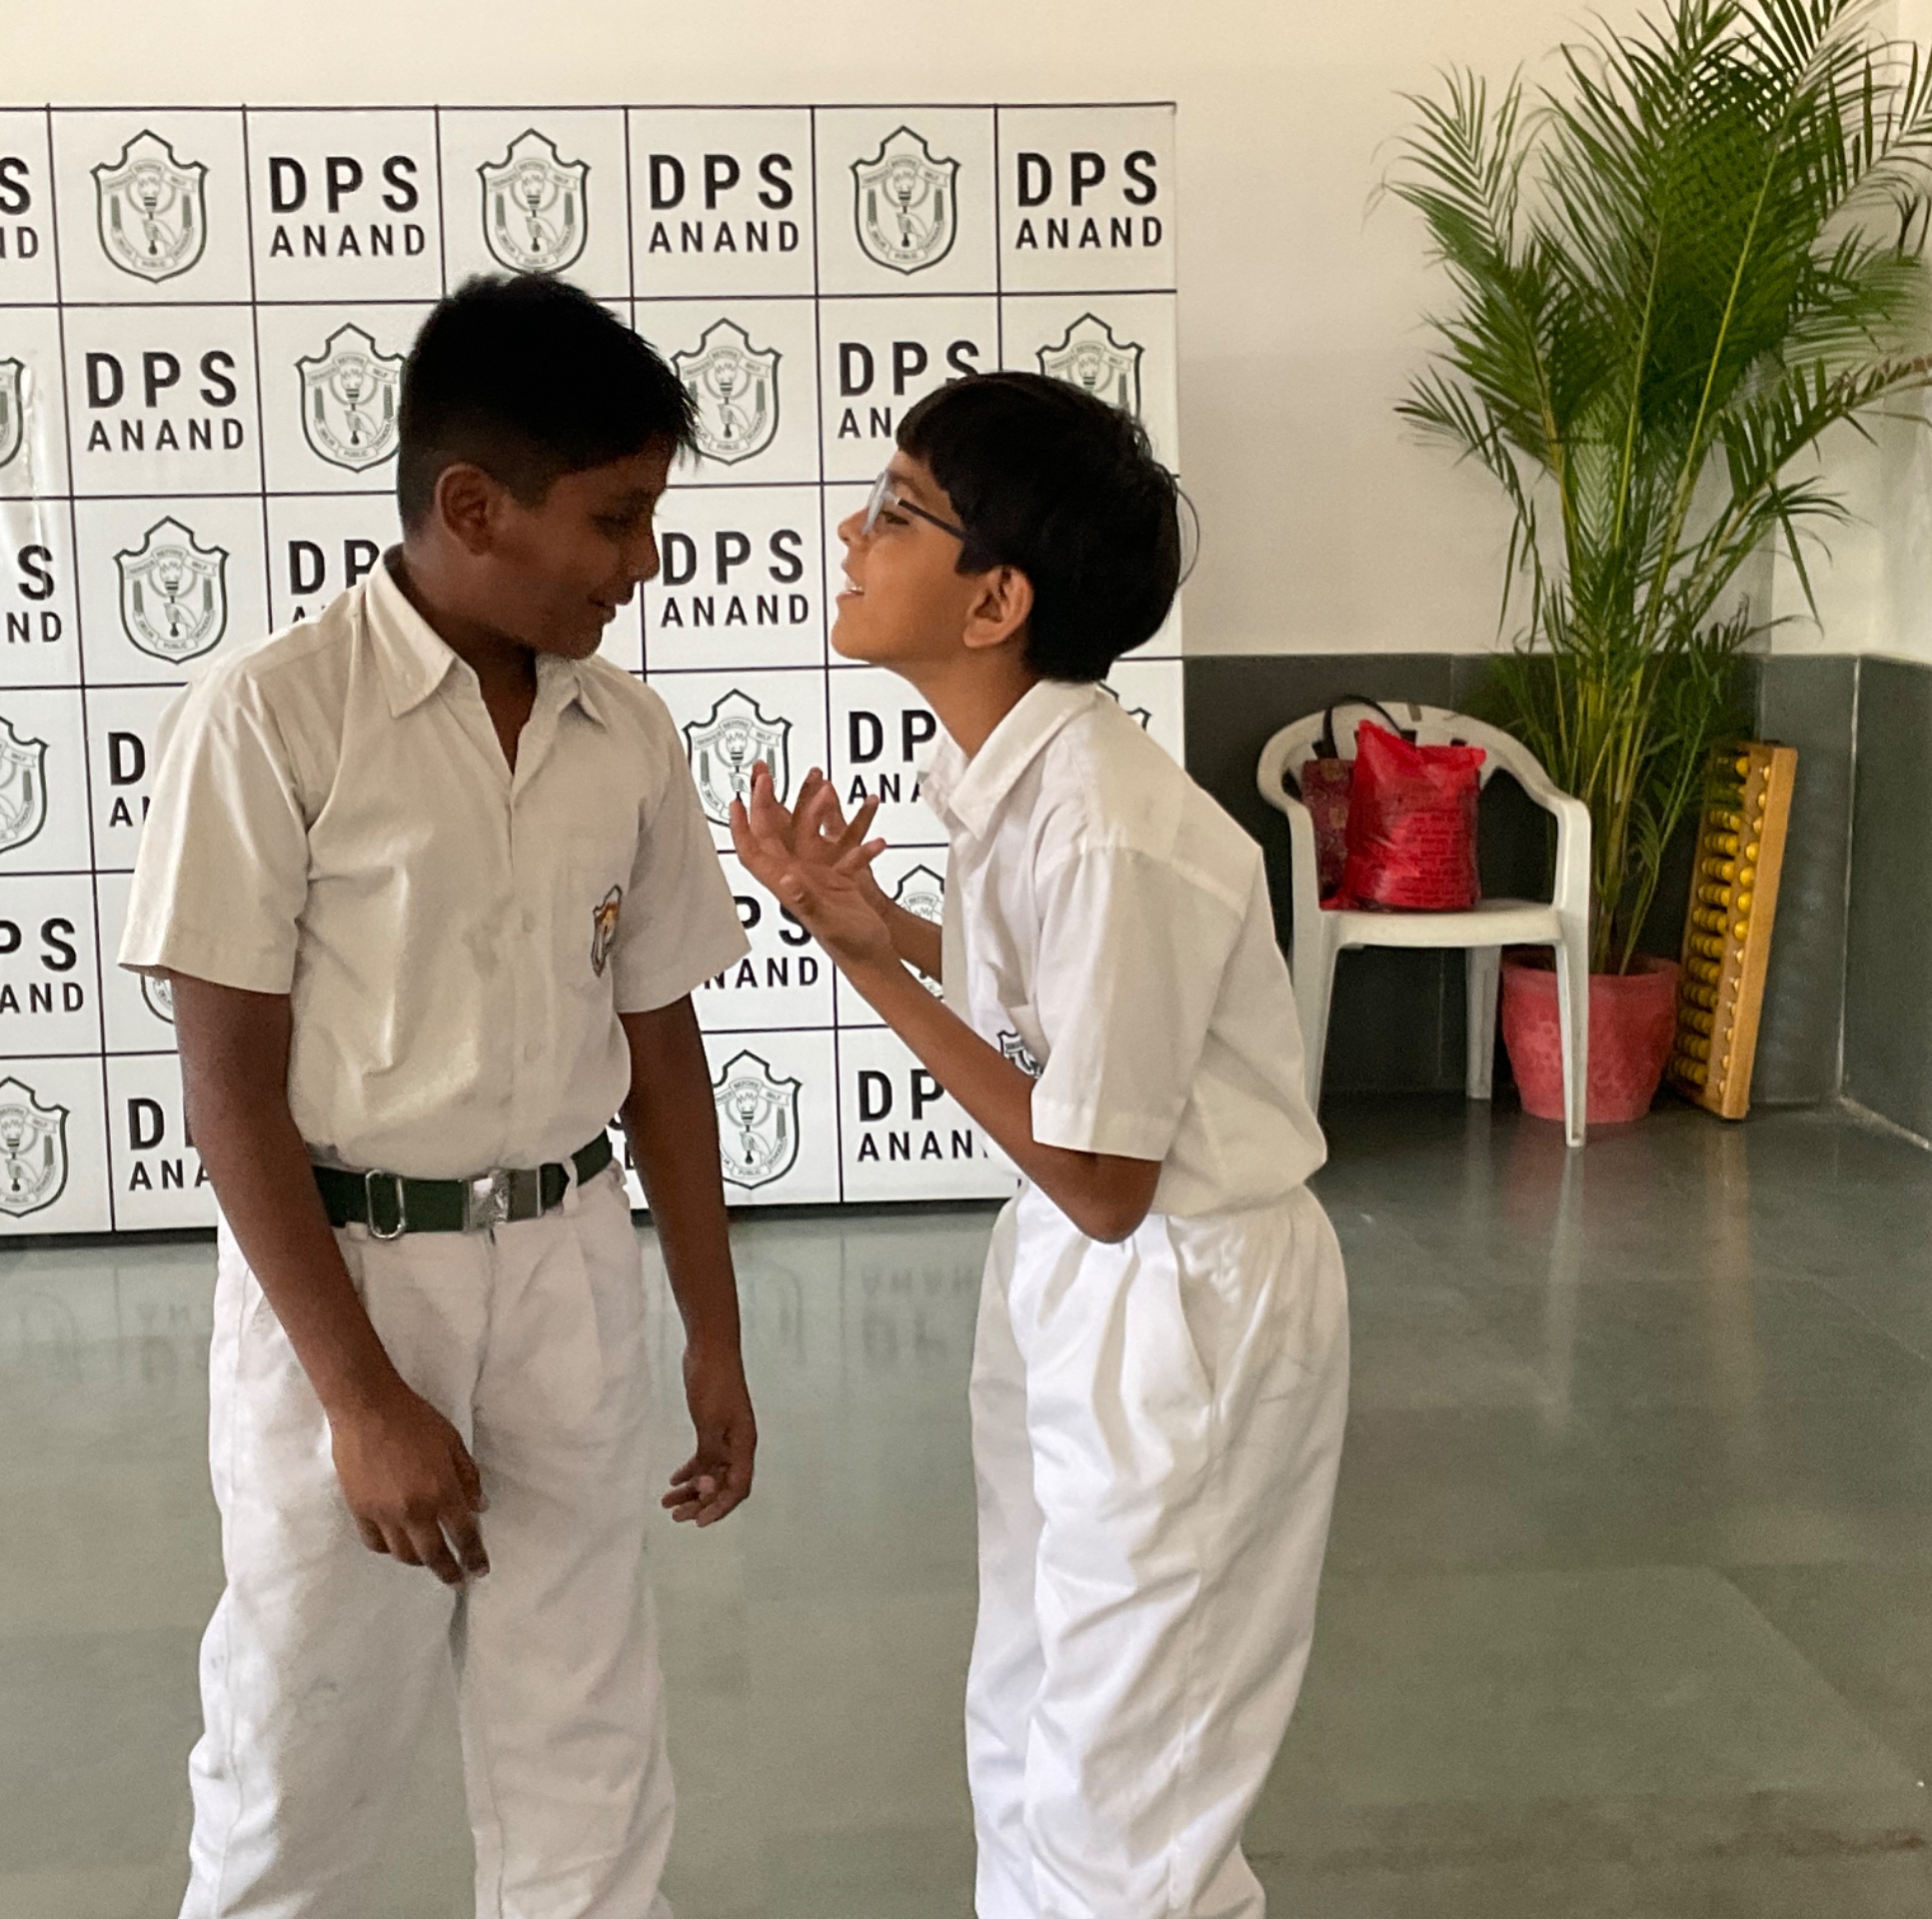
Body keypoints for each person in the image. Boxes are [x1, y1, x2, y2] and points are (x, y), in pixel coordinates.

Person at [120, 273, 757, 1919]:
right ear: (473, 506)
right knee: (304, 1723)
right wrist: (359, 1400)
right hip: (351, 1276)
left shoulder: (625, 734)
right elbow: (230, 1093)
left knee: (585, 1727)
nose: (643, 562)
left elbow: (662, 1046)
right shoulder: (274, 718)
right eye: (614, 519)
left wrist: (713, 1330)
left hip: (567, 1260)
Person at [730, 372, 1349, 1919]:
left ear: (996, 598)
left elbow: (1101, 1174)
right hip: (1092, 1276)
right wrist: (884, 925)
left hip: (1180, 1287)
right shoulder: (1023, 777)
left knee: (1132, 1777)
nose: (852, 535)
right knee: (1030, 1709)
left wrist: (868, 968)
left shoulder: (1105, 825)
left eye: (896, 513)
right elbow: (1065, 1007)